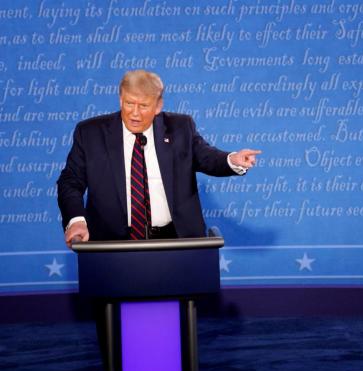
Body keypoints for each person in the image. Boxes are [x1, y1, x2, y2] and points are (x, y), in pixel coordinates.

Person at [57, 70, 261, 245]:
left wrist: (232, 160)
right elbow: (70, 182)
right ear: (120, 99)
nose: (134, 113)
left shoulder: (180, 128)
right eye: (129, 103)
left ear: (158, 106)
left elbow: (206, 157)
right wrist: (76, 220)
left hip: (174, 239)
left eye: (143, 106)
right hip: (111, 242)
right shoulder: (91, 133)